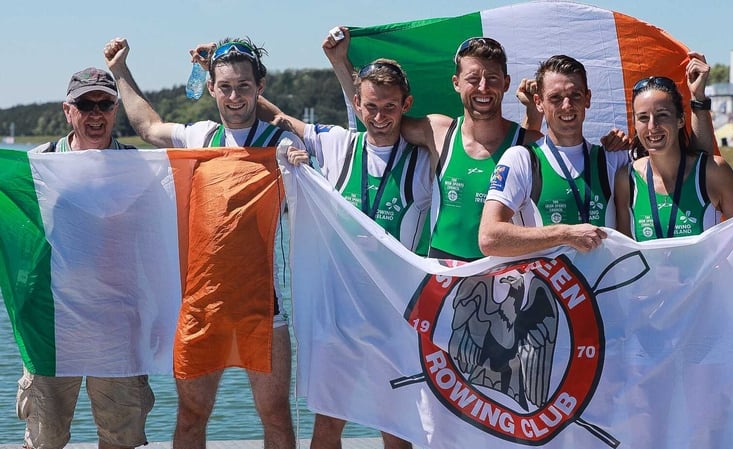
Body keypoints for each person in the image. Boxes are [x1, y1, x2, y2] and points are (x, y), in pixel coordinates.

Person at [104, 37, 302, 449]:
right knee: (192, 418)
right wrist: (120, 70)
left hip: (263, 310)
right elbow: (147, 128)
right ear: (211, 87)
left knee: (277, 418)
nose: (234, 96)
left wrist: (300, 168)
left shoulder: (281, 146)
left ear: (260, 87)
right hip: (201, 307)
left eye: (244, 86)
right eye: (225, 86)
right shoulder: (200, 136)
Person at [326, 30, 629, 262]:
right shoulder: (438, 131)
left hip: (504, 276)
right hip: (443, 272)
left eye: (492, 78)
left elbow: (570, 152)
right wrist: (340, 62)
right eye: (473, 78)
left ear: (506, 83)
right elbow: (379, 112)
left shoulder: (527, 144)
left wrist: (617, 146)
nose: (483, 88)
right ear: (456, 82)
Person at [274, 32, 431, 449]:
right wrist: (290, 153)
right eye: (371, 107)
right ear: (357, 105)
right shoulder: (336, 145)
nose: (380, 116)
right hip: (340, 315)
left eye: (390, 107)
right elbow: (278, 124)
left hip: (397, 317)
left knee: (397, 430)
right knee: (328, 425)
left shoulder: (426, 162)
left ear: (406, 106)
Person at [22, 67, 154, 449]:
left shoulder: (140, 168)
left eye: (105, 104)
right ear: (68, 110)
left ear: (116, 110)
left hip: (119, 325)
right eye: (85, 104)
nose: (95, 114)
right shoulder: (37, 165)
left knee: (122, 439)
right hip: (51, 325)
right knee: (45, 439)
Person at [478, 53, 719, 256]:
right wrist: (565, 234)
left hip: (603, 308)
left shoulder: (614, 158)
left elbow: (698, 171)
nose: (566, 105)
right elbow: (489, 237)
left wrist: (698, 100)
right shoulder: (521, 159)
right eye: (555, 98)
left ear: (588, 99)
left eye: (575, 96)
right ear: (539, 102)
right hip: (547, 306)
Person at [613, 74, 733, 241]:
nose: (652, 126)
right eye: (643, 118)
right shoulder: (626, 179)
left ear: (681, 120)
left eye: (662, 115)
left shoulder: (713, 172)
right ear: (635, 124)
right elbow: (624, 255)